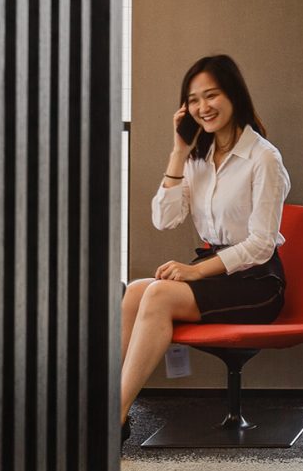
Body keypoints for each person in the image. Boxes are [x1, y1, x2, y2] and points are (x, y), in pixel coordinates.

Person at [118, 54, 291, 439]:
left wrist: (195, 270)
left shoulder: (264, 157)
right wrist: (179, 152)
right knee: (135, 292)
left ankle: (114, 418)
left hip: (258, 283)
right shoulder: (197, 158)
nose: (202, 107)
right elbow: (164, 219)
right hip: (216, 272)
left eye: (211, 95)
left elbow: (262, 245)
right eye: (193, 100)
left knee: (159, 295)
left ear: (234, 95)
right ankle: (111, 407)